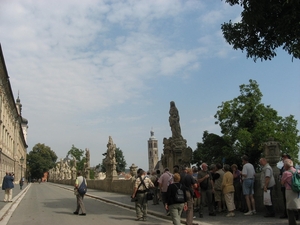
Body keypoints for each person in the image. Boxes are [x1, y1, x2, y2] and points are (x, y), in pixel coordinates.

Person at [281, 159, 300, 225]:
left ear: (286, 165)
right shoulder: (298, 171)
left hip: (290, 190)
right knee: (299, 206)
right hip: (298, 191)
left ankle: (292, 223)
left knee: (290, 208)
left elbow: (282, 182)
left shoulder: (286, 173)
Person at [279, 153, 291, 218]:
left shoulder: (289, 168)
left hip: (288, 186)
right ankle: (286, 213)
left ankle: (289, 214)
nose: (283, 159)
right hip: (284, 186)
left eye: (284, 157)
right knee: (285, 200)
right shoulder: (283, 167)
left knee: (288, 201)